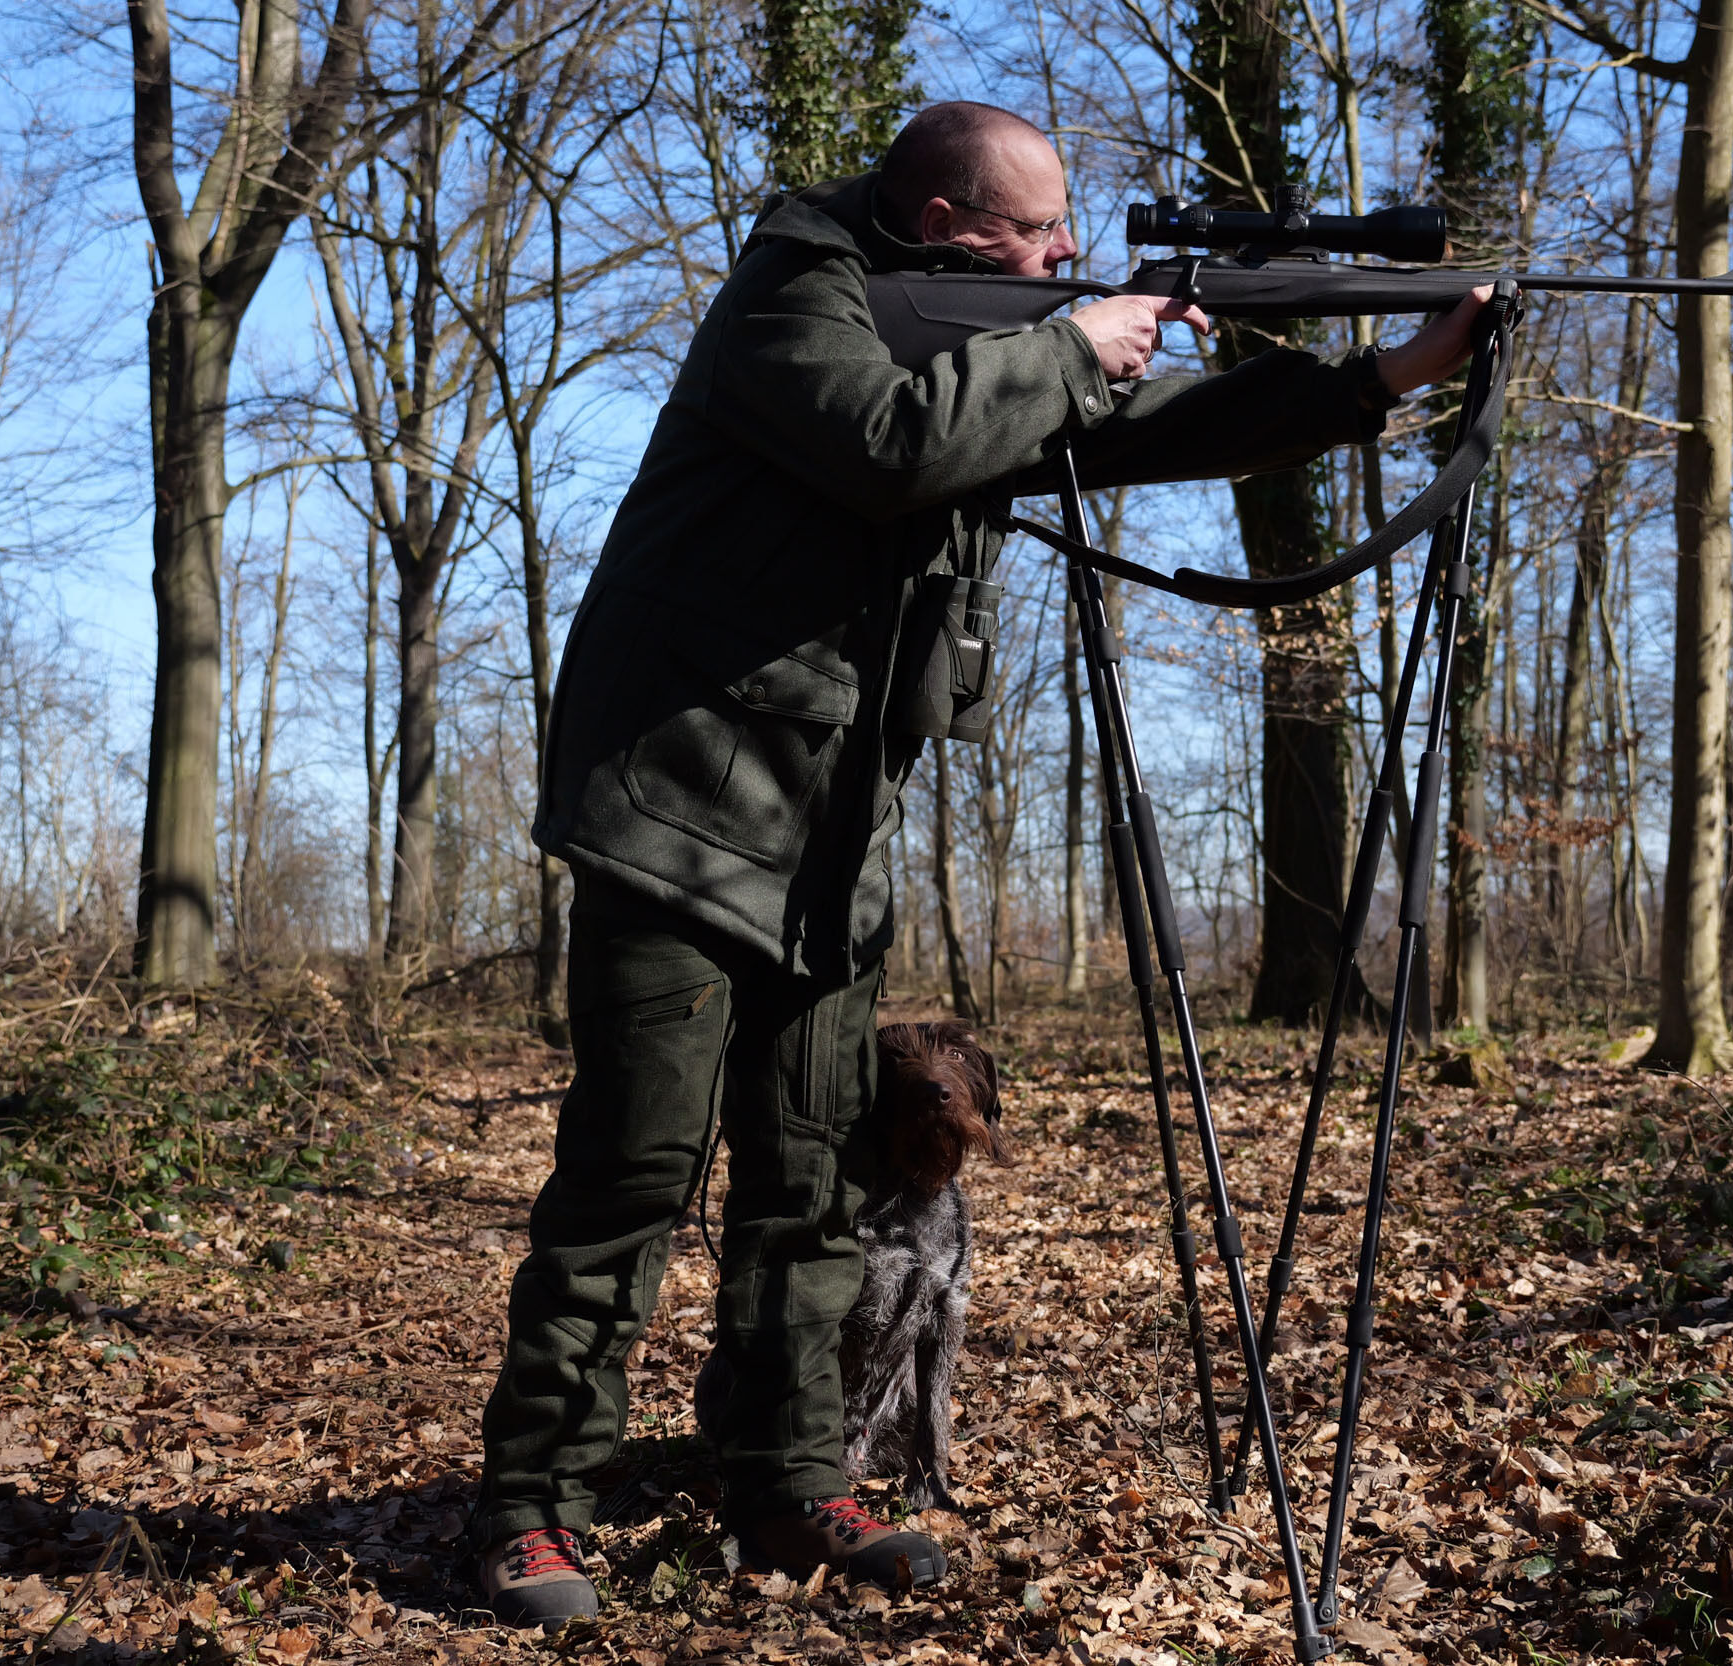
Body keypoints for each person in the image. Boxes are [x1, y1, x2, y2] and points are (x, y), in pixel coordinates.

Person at [468, 100, 1487, 1630]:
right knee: (632, 1178)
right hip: (675, 821)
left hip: (825, 852)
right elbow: (893, 445)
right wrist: (1079, 346)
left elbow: (1137, 432)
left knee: (816, 1184)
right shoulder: (793, 296)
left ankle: (790, 1480)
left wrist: (1380, 382)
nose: (1068, 253)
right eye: (1036, 233)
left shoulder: (978, 347)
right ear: (945, 232)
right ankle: (534, 1507)